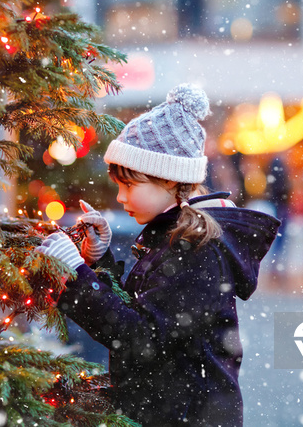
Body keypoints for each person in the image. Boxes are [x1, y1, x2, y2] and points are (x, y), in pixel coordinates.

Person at [37, 84, 280, 426]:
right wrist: (99, 260)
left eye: (129, 186)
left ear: (169, 181)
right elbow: (145, 309)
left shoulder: (198, 251)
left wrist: (76, 274)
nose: (120, 197)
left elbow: (139, 336)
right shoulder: (174, 237)